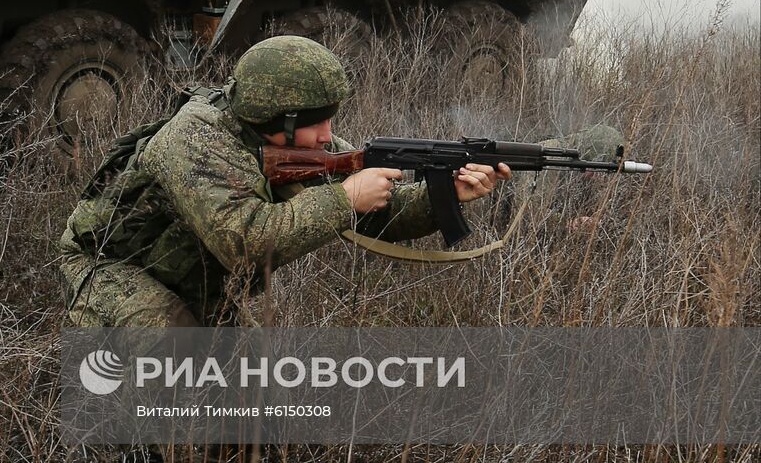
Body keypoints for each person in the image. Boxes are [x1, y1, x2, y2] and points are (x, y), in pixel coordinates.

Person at [58, 35, 512, 327]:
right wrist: (344, 200)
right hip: (110, 269)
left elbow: (379, 214)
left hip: (197, 283)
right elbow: (243, 243)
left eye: (330, 121)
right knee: (171, 342)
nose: (327, 136)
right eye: (317, 124)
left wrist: (448, 196)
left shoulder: (293, 143)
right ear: (281, 117)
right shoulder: (196, 139)